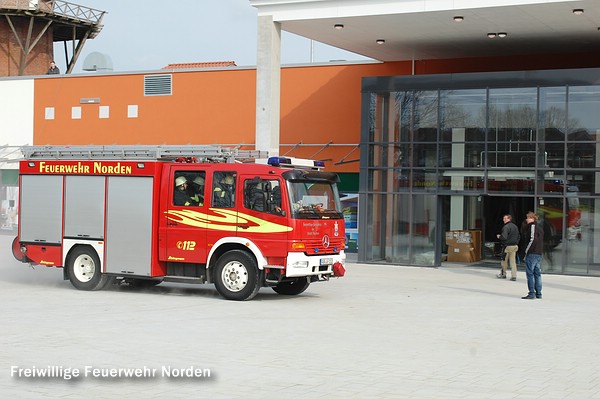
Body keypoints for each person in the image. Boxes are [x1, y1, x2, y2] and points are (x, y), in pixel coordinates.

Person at [522, 211, 544, 299]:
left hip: (532, 253)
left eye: (528, 218)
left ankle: (531, 293)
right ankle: (538, 293)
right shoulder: (540, 228)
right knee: (537, 273)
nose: (526, 219)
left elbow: (532, 239)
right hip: (538, 253)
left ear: (532, 218)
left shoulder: (532, 226)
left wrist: (527, 251)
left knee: (530, 274)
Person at [496, 214, 520, 281]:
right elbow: (518, 236)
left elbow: (504, 237)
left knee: (504, 261)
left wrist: (499, 236)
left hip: (507, 246)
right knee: (513, 262)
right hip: (514, 246)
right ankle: (513, 276)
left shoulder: (506, 227)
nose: (503, 220)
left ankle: (503, 274)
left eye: (505, 218)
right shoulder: (515, 226)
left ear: (509, 219)